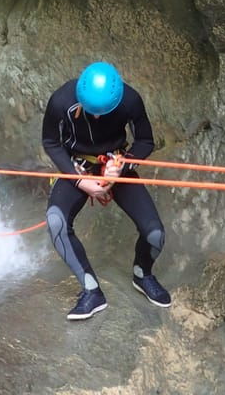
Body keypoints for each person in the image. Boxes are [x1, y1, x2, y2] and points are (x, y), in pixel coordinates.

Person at [41, 61, 171, 321]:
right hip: (77, 166)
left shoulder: (130, 100)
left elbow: (145, 141)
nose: (98, 117)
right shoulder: (62, 101)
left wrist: (122, 165)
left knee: (155, 234)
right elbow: (51, 142)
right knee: (56, 222)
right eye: (92, 111)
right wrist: (78, 180)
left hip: (115, 164)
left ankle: (142, 274)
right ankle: (91, 291)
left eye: (103, 111)